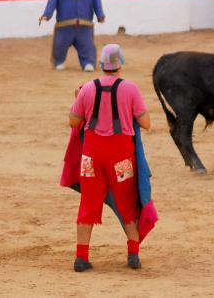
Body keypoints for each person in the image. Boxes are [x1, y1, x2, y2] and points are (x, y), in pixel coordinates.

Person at [68, 44, 151, 272]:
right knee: (128, 203)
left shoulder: (87, 89)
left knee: (88, 203)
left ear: (101, 65)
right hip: (120, 158)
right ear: (119, 65)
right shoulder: (131, 89)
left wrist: (78, 100)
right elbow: (146, 123)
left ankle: (81, 257)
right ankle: (133, 254)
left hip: (91, 157)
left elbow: (74, 122)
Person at [39, 0, 105, 72]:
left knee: (87, 46)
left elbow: (97, 3)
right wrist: (47, 14)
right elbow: (52, 2)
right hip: (64, 28)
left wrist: (100, 15)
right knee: (59, 46)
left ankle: (88, 62)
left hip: (85, 28)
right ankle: (58, 61)